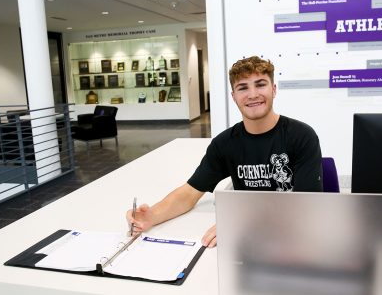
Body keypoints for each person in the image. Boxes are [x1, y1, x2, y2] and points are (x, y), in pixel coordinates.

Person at [126, 56, 323, 248]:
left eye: (260, 84)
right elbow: (189, 193)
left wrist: (241, 224)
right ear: (234, 96)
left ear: (274, 90)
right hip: (248, 245)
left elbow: (305, 206)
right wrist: (152, 215)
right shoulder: (225, 143)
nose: (252, 94)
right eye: (243, 87)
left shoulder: (301, 136)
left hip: (293, 239)